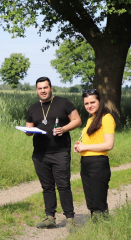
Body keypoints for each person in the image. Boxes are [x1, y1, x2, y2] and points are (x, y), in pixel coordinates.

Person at [25, 77, 82, 229]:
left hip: (60, 152)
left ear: (51, 88)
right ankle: (50, 217)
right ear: (36, 90)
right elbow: (29, 129)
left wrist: (64, 129)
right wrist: (28, 131)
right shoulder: (33, 108)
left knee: (63, 185)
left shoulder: (64, 103)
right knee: (47, 187)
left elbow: (77, 120)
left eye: (45, 87)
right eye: (39, 88)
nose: (42, 91)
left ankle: (70, 219)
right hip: (40, 154)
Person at [73, 89, 116, 221]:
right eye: (86, 103)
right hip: (86, 163)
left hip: (98, 163)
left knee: (99, 204)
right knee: (91, 203)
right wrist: (80, 145)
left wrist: (85, 147)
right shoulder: (91, 119)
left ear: (100, 101)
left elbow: (109, 145)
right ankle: (98, 230)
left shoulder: (106, 118)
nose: (89, 105)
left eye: (92, 102)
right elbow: (93, 140)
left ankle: (103, 230)